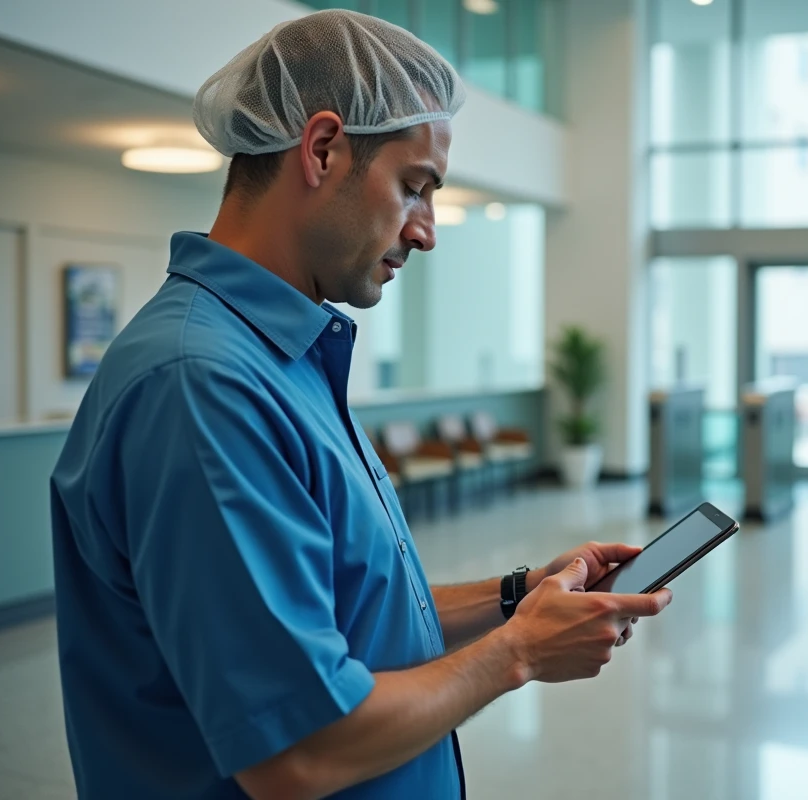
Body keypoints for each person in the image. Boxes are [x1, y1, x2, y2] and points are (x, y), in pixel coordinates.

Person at [49, 12, 671, 800]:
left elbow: (353, 617)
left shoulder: (286, 360)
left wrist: (518, 597)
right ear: (321, 150)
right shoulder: (201, 384)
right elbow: (298, 751)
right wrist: (518, 651)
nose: (428, 231)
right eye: (414, 187)